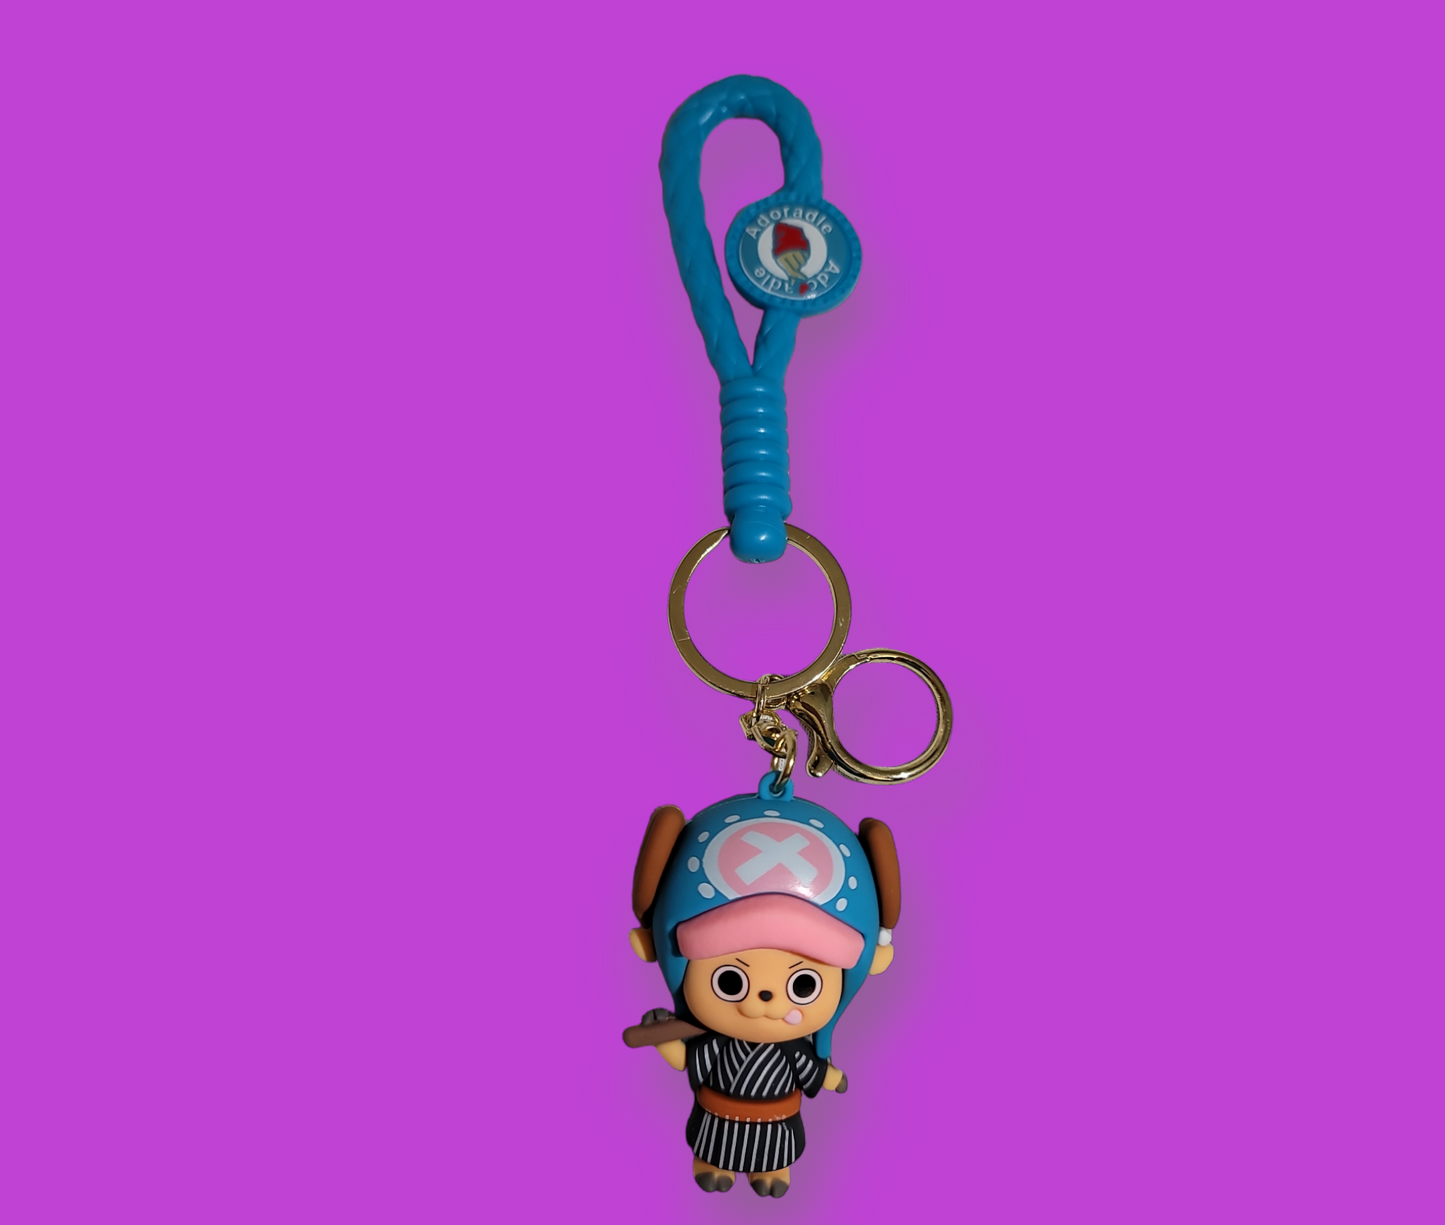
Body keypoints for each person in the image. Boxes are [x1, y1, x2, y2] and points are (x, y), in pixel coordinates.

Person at [627, 774, 900, 1196]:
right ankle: (713, 1163)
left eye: (803, 984)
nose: (766, 999)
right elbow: (687, 1057)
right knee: (715, 1147)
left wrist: (831, 1077)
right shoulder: (716, 1040)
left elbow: (811, 1070)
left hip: (777, 1120)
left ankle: (771, 1172)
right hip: (718, 1116)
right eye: (730, 980)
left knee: (773, 1155)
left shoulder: (790, 1049)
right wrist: (662, 1038)